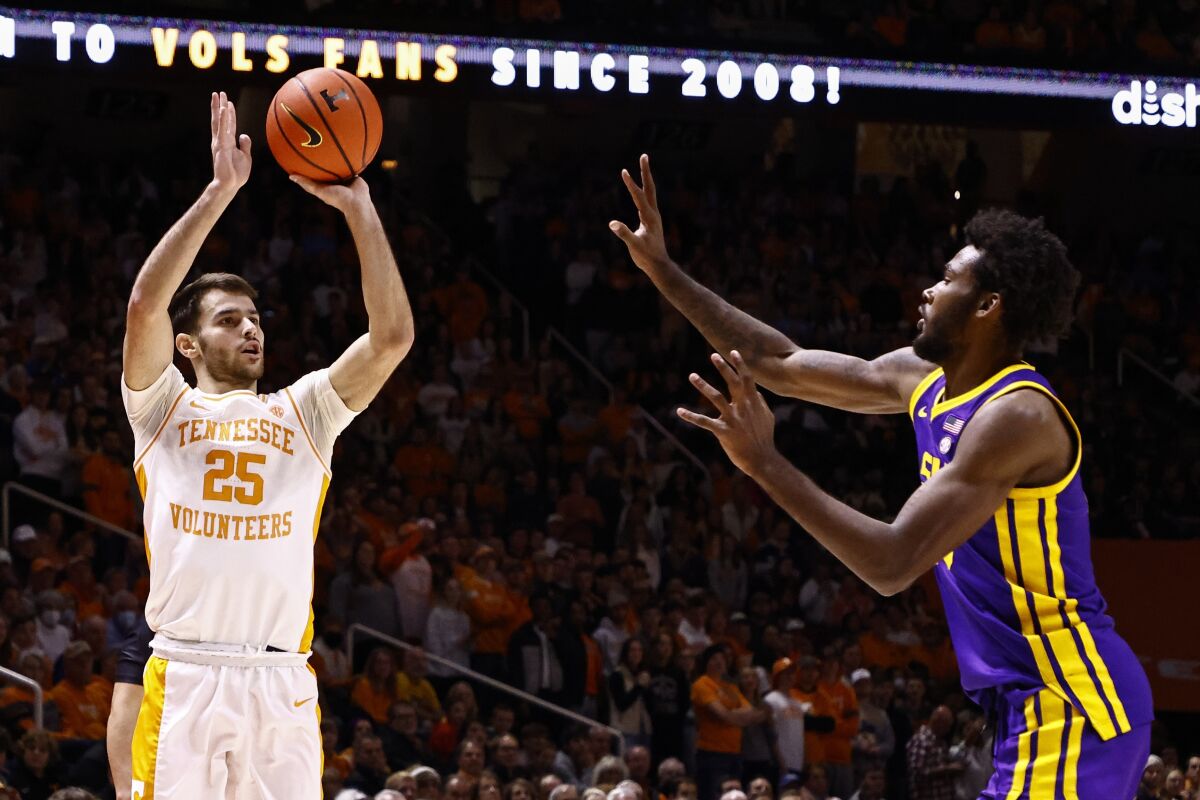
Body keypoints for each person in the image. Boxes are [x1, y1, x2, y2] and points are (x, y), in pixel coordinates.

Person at [610, 154, 1152, 796]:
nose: (928, 289)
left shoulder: (1018, 416)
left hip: (1072, 702)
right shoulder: (921, 379)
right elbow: (778, 362)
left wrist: (763, 463)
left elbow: (892, 564)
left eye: (947, 279)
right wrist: (664, 272)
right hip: (1024, 708)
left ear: (988, 306)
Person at [121, 92, 414, 799]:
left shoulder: (305, 411)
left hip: (281, 675)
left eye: (255, 318)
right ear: (188, 343)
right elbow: (144, 306)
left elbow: (392, 338)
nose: (251, 329)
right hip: (186, 671)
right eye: (229, 320)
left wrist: (359, 208)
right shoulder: (161, 407)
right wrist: (221, 192)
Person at [691, 645, 767, 800]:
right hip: (712, 752)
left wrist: (731, 716)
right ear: (706, 663)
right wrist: (735, 716)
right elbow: (721, 714)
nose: (720, 663)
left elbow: (755, 714)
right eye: (714, 659)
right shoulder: (702, 684)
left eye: (722, 659)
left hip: (735, 752)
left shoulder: (731, 687)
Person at [905, 706, 959, 800]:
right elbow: (917, 772)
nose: (948, 730)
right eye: (947, 726)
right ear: (938, 722)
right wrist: (946, 769)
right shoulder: (921, 740)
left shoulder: (941, 742)